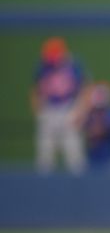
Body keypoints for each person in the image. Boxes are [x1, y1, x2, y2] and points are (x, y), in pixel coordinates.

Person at [29, 36, 89, 174]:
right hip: (49, 109)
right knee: (45, 155)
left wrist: (80, 111)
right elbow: (35, 91)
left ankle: (81, 189)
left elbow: (85, 89)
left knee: (74, 155)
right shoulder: (43, 66)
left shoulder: (73, 64)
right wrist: (40, 112)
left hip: (68, 108)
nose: (52, 59)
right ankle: (43, 189)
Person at [82, 81, 110, 172]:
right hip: (92, 157)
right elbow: (79, 124)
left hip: (109, 157)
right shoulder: (89, 112)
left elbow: (108, 127)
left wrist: (95, 130)